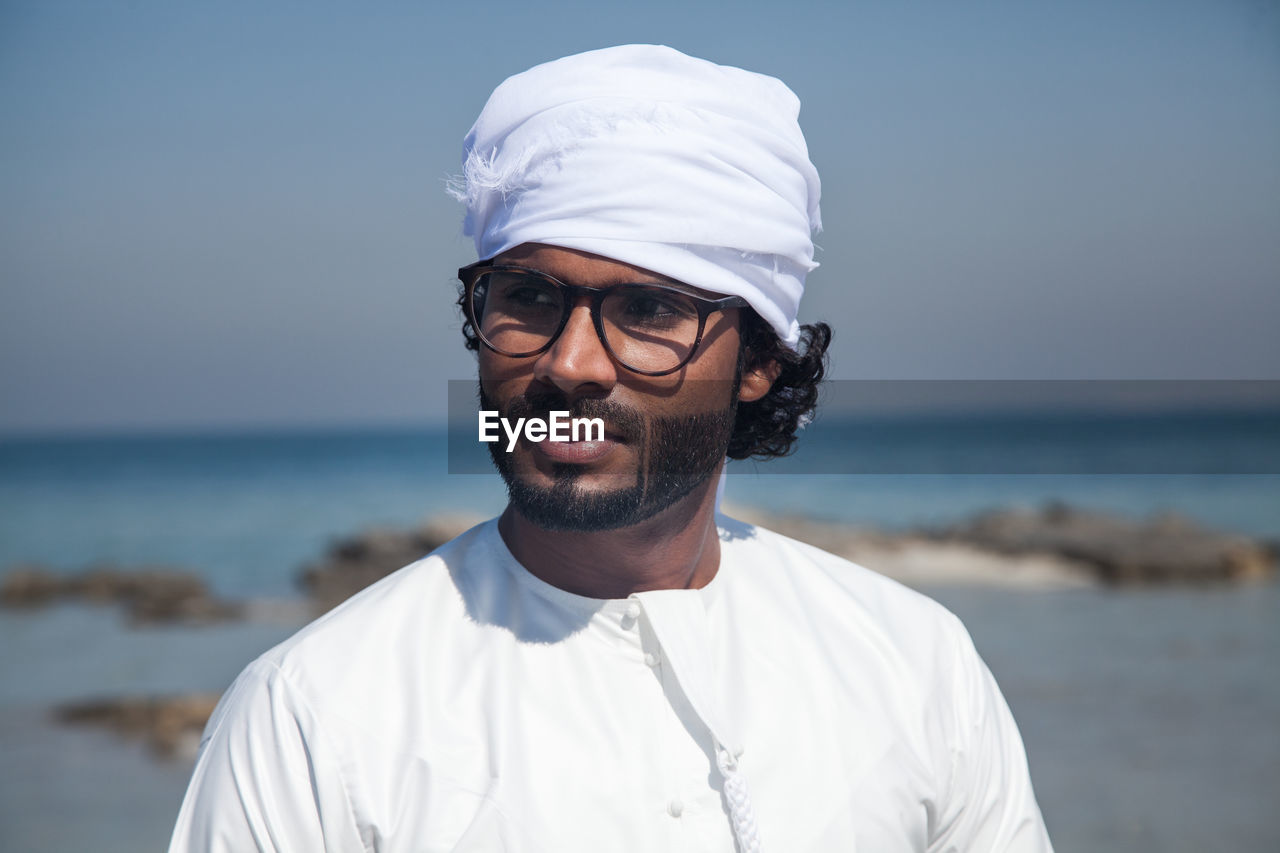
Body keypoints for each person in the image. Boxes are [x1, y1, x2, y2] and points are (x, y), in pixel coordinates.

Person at [169, 45, 1053, 852]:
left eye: (649, 311)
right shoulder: (315, 713)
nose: (571, 364)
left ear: (758, 361)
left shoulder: (914, 668)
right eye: (529, 297)